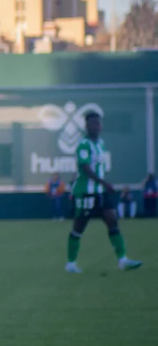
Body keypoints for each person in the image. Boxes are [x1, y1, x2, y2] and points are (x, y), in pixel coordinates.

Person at [65, 111, 142, 273]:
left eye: (98, 123)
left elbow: (98, 167)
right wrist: (104, 183)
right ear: (87, 126)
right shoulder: (83, 144)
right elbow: (85, 168)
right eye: (93, 123)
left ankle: (122, 260)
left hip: (100, 191)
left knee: (112, 220)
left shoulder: (100, 144)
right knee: (79, 226)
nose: (96, 126)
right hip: (86, 192)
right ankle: (71, 263)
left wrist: (103, 184)